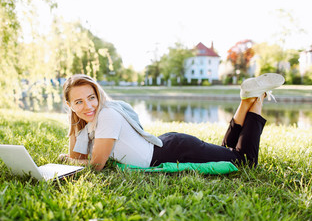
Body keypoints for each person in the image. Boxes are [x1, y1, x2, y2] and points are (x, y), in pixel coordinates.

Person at [59, 73, 285, 171]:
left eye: (91, 97)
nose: (88, 106)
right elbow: (77, 157)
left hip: (173, 151)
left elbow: (96, 165)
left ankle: (258, 99)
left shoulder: (106, 115)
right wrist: (73, 124)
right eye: (78, 102)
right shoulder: (90, 120)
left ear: (98, 94)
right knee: (226, 150)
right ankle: (246, 102)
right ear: (69, 106)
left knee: (244, 161)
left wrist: (66, 161)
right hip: (166, 145)